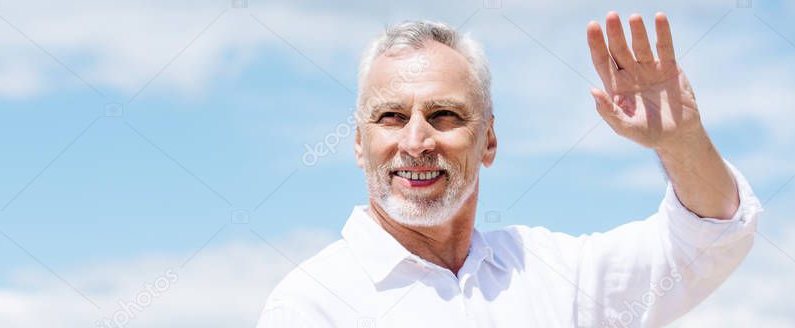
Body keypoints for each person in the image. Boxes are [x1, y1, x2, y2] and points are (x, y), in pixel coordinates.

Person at [257, 12, 761, 327]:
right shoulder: (309, 306)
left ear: (489, 141)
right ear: (360, 145)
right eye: (391, 116)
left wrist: (683, 144)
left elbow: (708, 238)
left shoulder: (558, 276)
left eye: (445, 115)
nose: (416, 141)